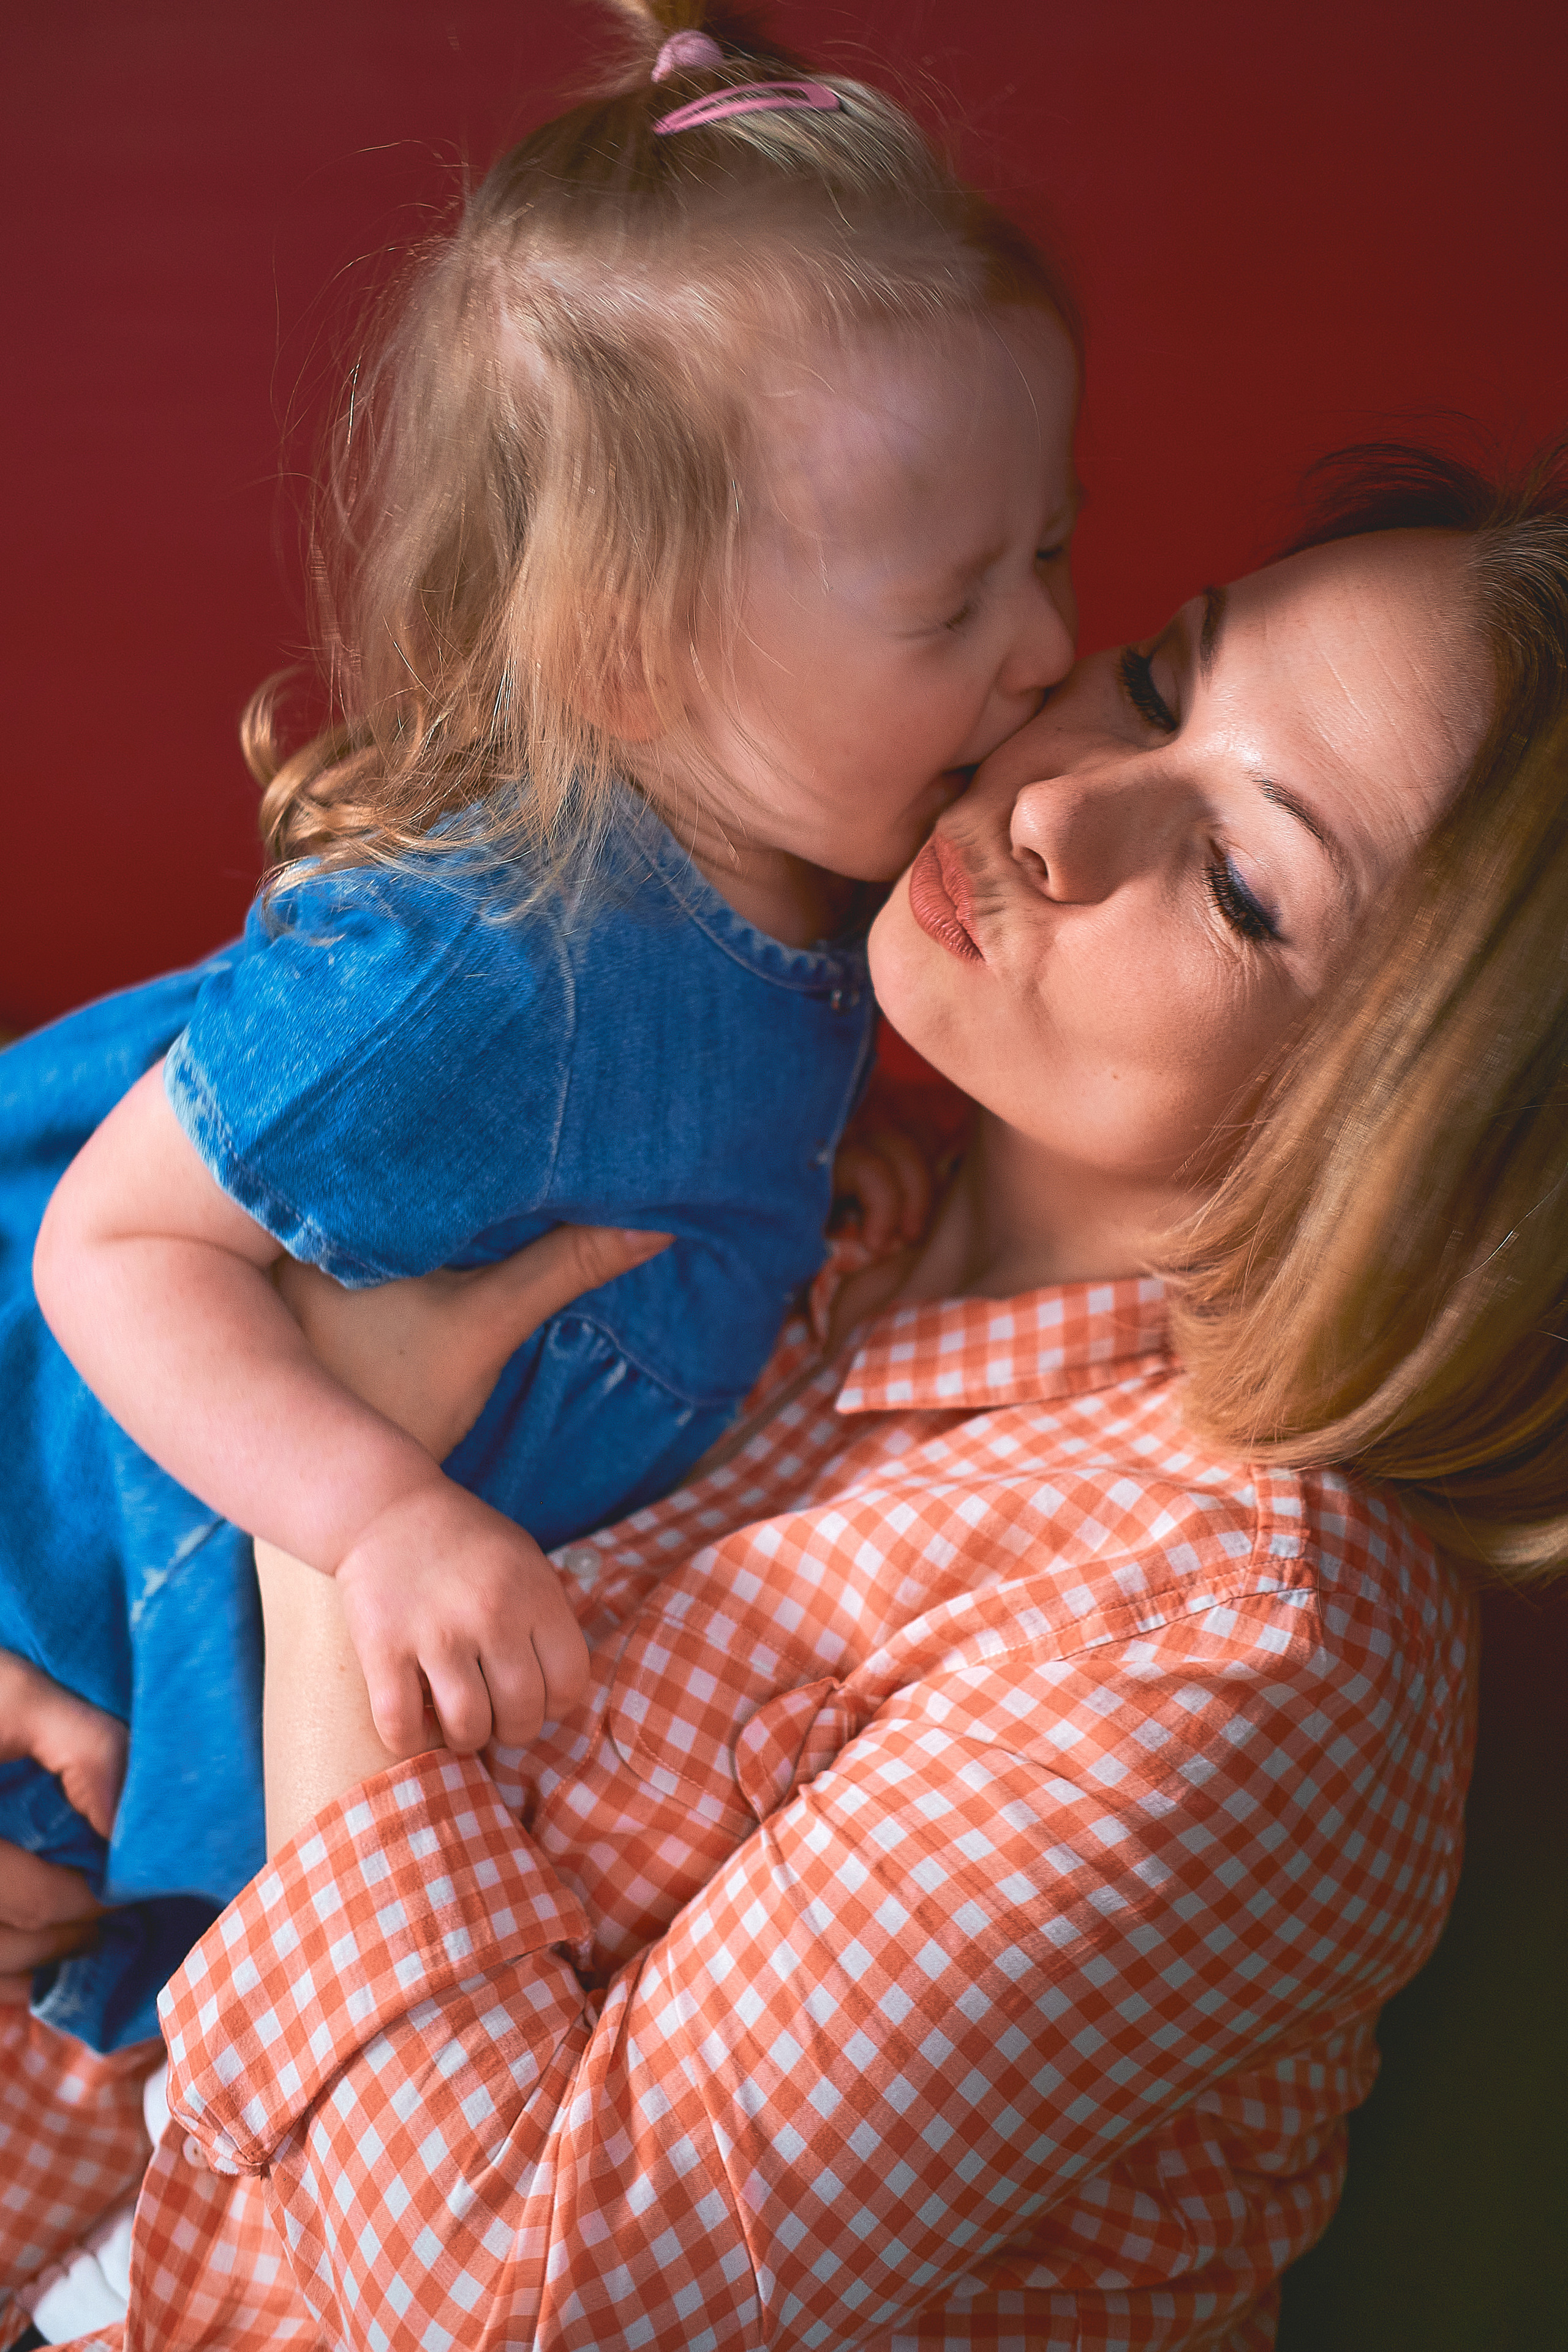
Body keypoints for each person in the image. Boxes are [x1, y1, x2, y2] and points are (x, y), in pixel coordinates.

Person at [7, 439, 1567, 2351]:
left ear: (1445, 1148)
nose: (1061, 803)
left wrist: (328, 1491)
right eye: (1159, 680)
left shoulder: (1246, 1636)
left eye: (1244, 882)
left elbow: (511, 2314)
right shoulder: (795, 1166)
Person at [0, 1, 1082, 2051]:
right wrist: (380, 1515)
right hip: (56, 1571)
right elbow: (109, 1245)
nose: (1044, 645)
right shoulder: (478, 967)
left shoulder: (836, 878)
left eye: (1054, 550)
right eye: (954, 606)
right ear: (631, 653)